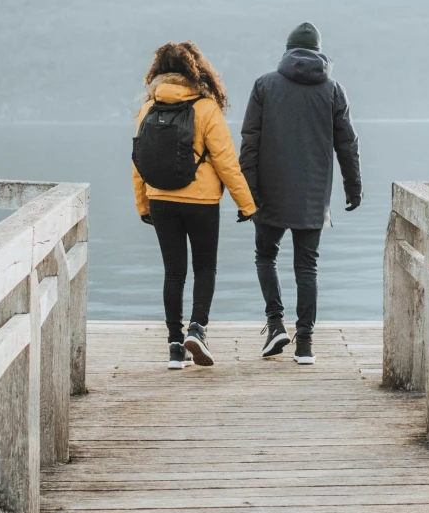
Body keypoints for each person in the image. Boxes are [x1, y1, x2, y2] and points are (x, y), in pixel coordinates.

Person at [239, 22, 361, 366]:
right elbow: (347, 144)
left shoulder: (265, 85)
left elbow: (250, 141)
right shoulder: (333, 90)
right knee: (307, 267)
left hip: (268, 190)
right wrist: (354, 187)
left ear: (288, 50)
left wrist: (247, 193)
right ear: (318, 52)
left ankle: (276, 323)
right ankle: (304, 343)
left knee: (266, 255)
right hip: (312, 195)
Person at [131, 41, 257, 371]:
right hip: (201, 201)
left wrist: (143, 203)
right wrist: (247, 205)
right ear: (197, 70)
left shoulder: (148, 109)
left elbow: (138, 162)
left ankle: (175, 347)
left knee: (174, 272)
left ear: (158, 72)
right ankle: (197, 330)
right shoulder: (206, 108)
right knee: (204, 268)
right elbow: (227, 163)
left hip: (160, 199)